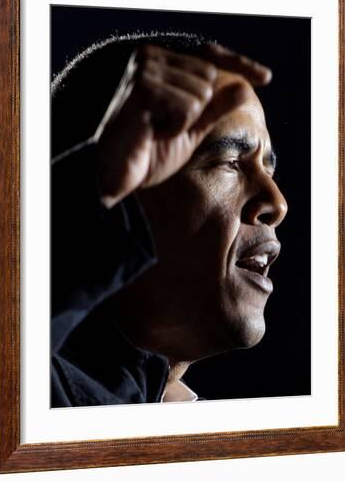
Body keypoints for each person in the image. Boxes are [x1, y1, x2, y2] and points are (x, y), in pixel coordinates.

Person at [50, 32, 288, 407]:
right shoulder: (12, 392)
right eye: (229, 163)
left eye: (268, 171)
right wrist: (94, 179)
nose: (276, 203)